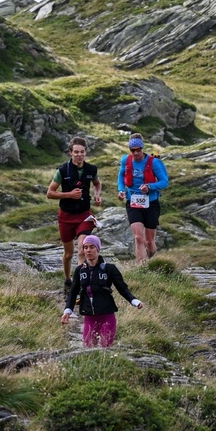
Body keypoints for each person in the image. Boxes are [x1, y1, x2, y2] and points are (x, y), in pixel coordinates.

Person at [61, 235, 144, 347]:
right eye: (85, 247)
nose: (88, 250)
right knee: (88, 348)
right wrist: (67, 310)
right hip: (89, 316)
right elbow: (73, 291)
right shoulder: (80, 270)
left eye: (92, 247)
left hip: (107, 315)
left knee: (106, 347)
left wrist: (134, 301)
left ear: (98, 249)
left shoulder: (109, 268)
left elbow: (122, 288)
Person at [47, 136, 102, 298]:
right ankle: (67, 280)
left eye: (82, 152)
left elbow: (97, 184)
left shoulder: (92, 169)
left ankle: (81, 284)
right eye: (76, 152)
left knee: (82, 249)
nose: (79, 155)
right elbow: (50, 193)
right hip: (66, 216)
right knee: (69, 254)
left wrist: (97, 195)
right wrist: (69, 195)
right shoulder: (62, 171)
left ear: (85, 153)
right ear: (70, 153)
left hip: (85, 215)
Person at [116, 133, 169, 263]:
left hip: (151, 204)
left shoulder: (154, 162)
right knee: (138, 238)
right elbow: (121, 177)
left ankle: (151, 260)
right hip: (133, 203)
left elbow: (164, 181)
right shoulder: (126, 161)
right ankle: (142, 268)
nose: (135, 153)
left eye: (138, 150)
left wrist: (149, 187)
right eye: (132, 150)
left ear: (142, 148)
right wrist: (121, 190)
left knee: (149, 242)